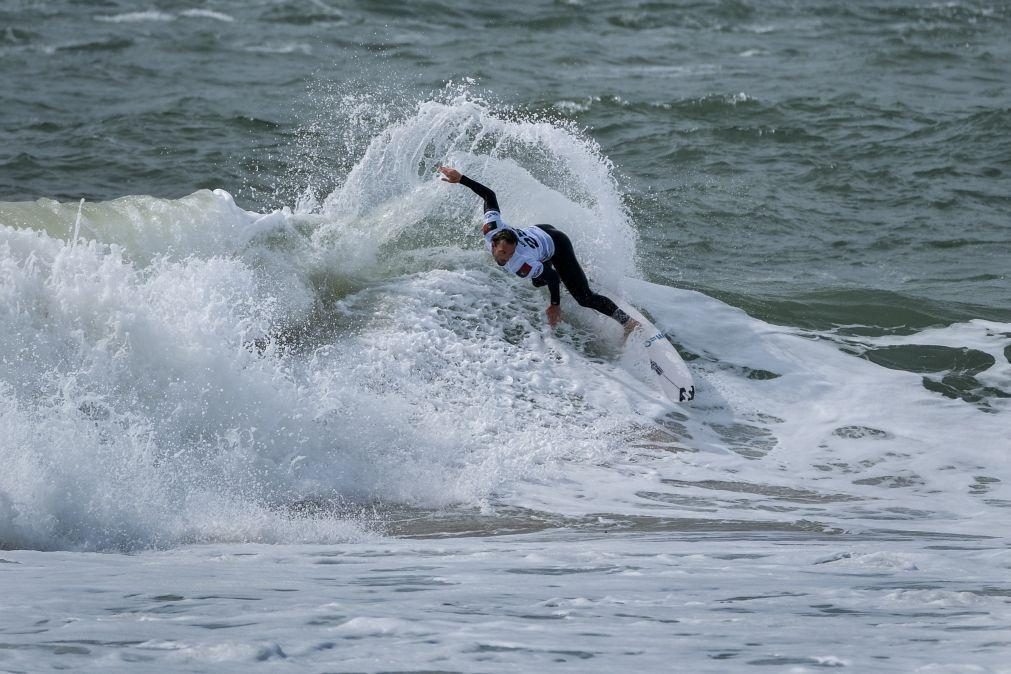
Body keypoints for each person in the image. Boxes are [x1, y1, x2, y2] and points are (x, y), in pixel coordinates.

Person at [439, 166, 637, 332]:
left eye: (510, 253)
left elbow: (550, 276)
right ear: (493, 243)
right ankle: (572, 274)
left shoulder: (521, 261)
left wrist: (555, 305)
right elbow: (489, 195)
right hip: (540, 232)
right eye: (502, 253)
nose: (506, 258)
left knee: (584, 298)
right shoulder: (491, 227)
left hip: (557, 244)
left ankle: (628, 322)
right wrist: (461, 179)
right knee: (536, 281)